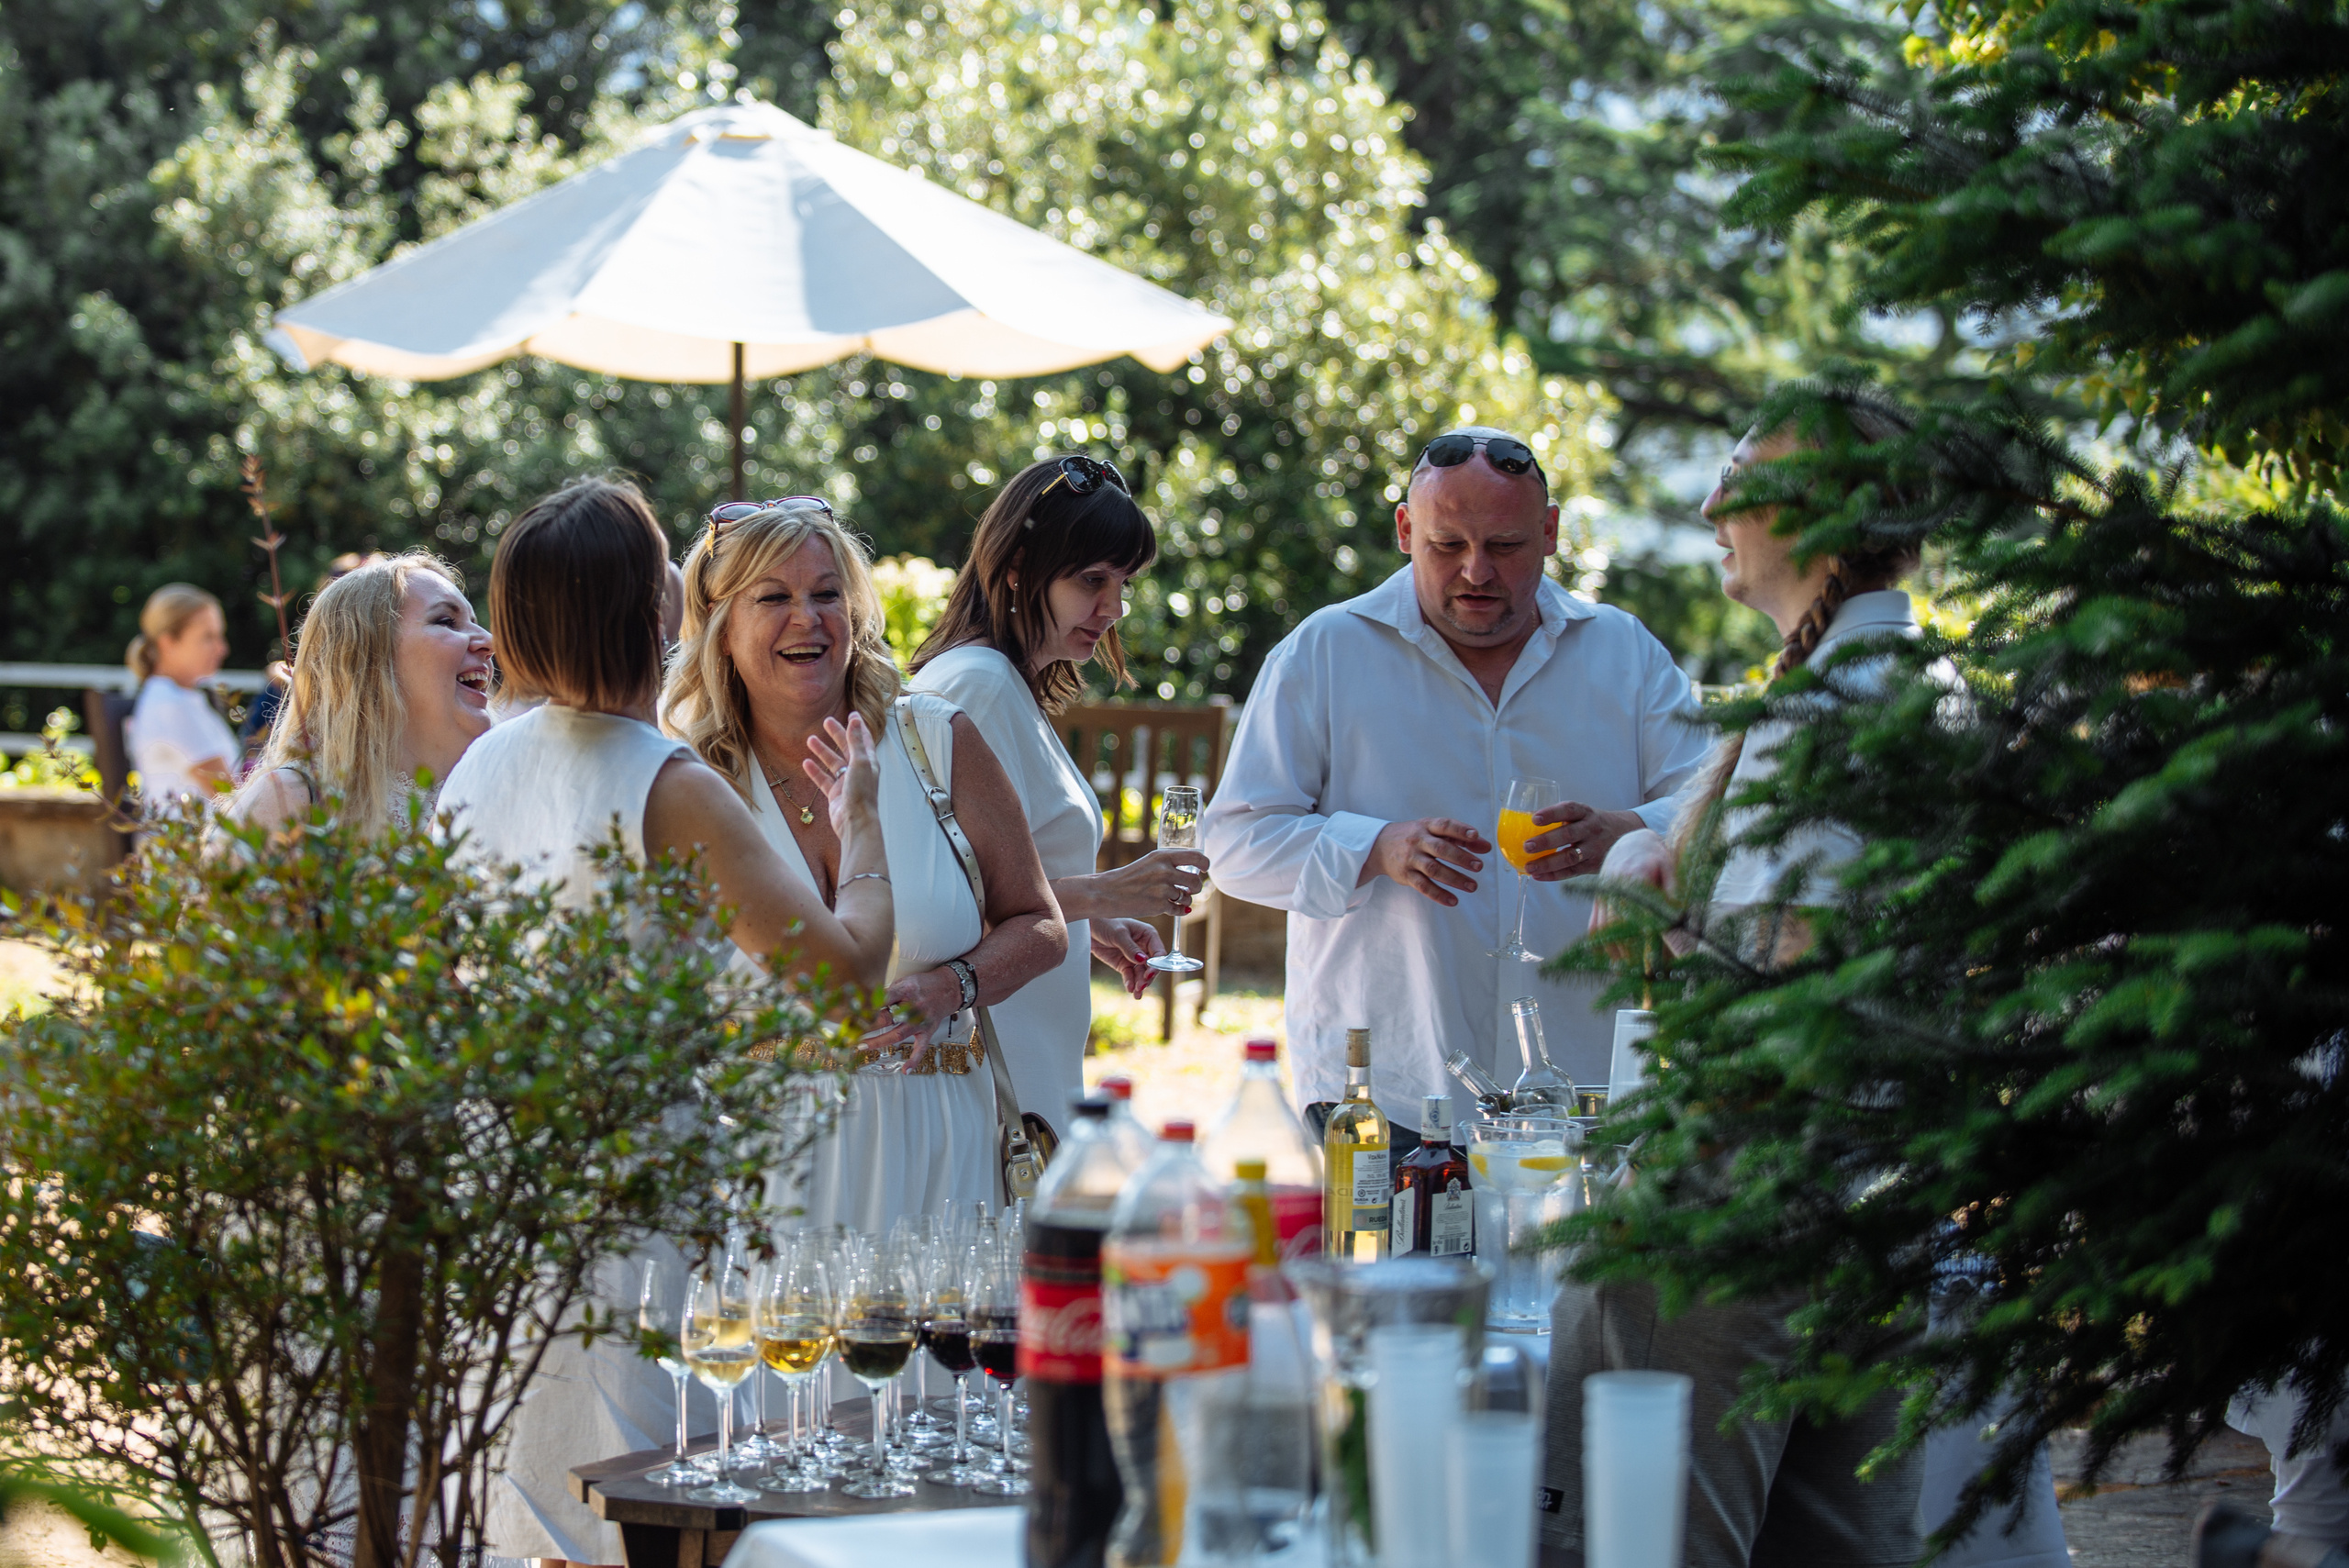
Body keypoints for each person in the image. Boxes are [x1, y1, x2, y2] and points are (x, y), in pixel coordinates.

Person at [1540, 414, 2049, 1568]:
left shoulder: (1830, 708)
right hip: (1876, 1198)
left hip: (1734, 1196)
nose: (1710, 508)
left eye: (1736, 484)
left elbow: (1795, 962)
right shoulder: (1915, 676)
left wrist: (1650, 912)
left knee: (1642, 1547)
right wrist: (1656, 853)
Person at [438, 477, 896, 1568]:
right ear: (660, 611)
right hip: (636, 1211)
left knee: (537, 1502)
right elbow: (843, 983)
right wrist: (864, 825)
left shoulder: (481, 763)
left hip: (501, 1192)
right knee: (650, 1511)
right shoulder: (668, 783)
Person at [1197, 426, 1711, 1140]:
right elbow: (1232, 844)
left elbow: (1721, 809)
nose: (1476, 571)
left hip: (1588, 1088)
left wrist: (1629, 831)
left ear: (1551, 531)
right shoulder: (1325, 651)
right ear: (1406, 531)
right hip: (1389, 1092)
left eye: (1504, 546)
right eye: (1448, 546)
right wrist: (1374, 847)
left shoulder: (1624, 652)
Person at [662, 496, 1066, 1229]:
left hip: (940, 1140)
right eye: (774, 598)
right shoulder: (689, 777)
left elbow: (1042, 923)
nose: (808, 619)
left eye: (827, 595)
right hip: (762, 1160)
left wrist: (954, 984)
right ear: (721, 629)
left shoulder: (935, 739)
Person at [908, 455, 1203, 1118]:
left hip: (1029, 1046)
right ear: (1018, 566)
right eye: (1091, 579)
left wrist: (1093, 921)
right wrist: (1107, 890)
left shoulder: (1004, 684)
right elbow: (939, 906)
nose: (1114, 607)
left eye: (1124, 582)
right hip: (991, 1065)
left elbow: (1015, 874)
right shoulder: (974, 686)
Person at [225, 552, 494, 834]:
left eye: (475, 622)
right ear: (367, 658)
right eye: (447, 621)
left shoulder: (502, 785)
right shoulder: (292, 800)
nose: (489, 641)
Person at [124, 583, 239, 819]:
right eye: (208, 637)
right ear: (168, 643)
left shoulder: (180, 697)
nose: (222, 648)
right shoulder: (171, 705)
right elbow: (229, 795)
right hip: (191, 849)